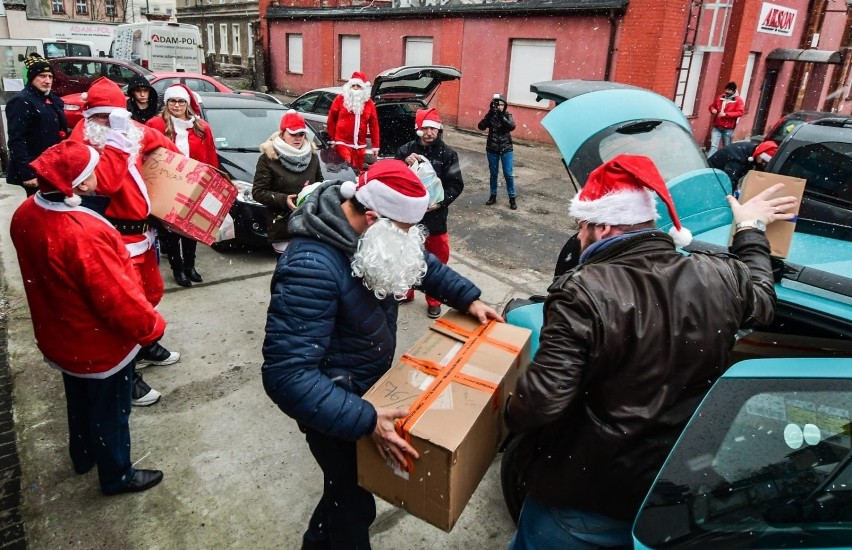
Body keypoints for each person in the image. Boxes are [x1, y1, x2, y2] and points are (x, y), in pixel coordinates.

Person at [504, 154, 798, 549]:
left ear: (603, 225)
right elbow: (763, 298)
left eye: (581, 226)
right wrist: (749, 229)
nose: (577, 237)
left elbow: (541, 401)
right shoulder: (719, 274)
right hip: (670, 492)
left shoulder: (583, 289)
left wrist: (504, 417)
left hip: (584, 495)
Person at [261, 159, 501, 549]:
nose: (409, 239)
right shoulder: (310, 266)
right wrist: (366, 418)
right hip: (334, 405)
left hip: (362, 390)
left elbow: (420, 264)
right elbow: (287, 376)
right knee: (352, 505)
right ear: (372, 217)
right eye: (404, 230)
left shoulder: (375, 237)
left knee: (344, 494)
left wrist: (469, 298)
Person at [10, 140, 166, 495]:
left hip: (61, 335)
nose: (101, 175)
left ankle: (82, 455)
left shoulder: (26, 213)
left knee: (78, 400)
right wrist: (151, 328)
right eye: (95, 170)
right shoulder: (84, 233)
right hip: (98, 343)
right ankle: (116, 475)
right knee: (111, 412)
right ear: (80, 184)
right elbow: (117, 298)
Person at [69, 77, 182, 407]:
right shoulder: (83, 141)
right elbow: (105, 181)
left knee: (150, 292)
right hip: (113, 234)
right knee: (124, 306)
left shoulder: (129, 130)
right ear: (93, 117)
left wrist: (176, 167)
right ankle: (126, 372)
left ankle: (145, 344)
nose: (110, 122)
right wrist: (118, 140)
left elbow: (162, 144)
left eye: (115, 116)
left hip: (143, 232)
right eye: (104, 117)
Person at [146, 84, 219, 287]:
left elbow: (210, 155)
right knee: (169, 231)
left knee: (190, 228)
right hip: (167, 184)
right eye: (172, 101)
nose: (176, 105)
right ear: (166, 103)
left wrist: (211, 182)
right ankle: (177, 268)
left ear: (187, 104)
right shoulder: (156, 125)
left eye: (180, 101)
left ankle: (190, 266)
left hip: (194, 184)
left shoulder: (202, 127)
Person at [395, 107, 465, 318]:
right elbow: (392, 175)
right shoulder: (405, 150)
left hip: (435, 218)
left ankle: (434, 299)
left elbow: (456, 185)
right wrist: (402, 164)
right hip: (409, 217)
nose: (429, 133)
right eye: (425, 128)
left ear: (439, 130)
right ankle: (406, 291)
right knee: (406, 254)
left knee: (436, 259)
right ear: (418, 129)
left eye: (433, 128)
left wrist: (441, 202)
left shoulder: (448, 154)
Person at [252, 109, 323, 254]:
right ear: (283, 133)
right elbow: (258, 192)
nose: (297, 138)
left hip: (308, 223)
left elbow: (319, 183)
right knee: (286, 269)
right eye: (293, 134)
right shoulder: (268, 158)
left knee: (306, 268)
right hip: (282, 225)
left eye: (301, 134)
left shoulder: (312, 157)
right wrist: (284, 200)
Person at [6, 54, 68, 197]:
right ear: (32, 77)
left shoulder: (52, 100)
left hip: (50, 164)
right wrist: (27, 173)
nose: (47, 81)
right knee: (39, 206)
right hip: (34, 166)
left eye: (50, 76)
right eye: (42, 76)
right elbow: (16, 140)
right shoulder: (21, 101)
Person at [326, 71, 380, 170]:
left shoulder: (369, 104)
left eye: (358, 86)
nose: (355, 88)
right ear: (349, 87)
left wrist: (375, 145)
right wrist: (332, 139)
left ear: (363, 88)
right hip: (342, 143)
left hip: (360, 146)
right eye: (353, 85)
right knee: (347, 168)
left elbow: (374, 126)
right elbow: (331, 119)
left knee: (357, 171)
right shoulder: (340, 99)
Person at [478, 93, 517, 209]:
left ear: (504, 105)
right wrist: (490, 114)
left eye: (501, 104)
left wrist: (501, 117)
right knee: (493, 174)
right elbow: (481, 126)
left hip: (506, 148)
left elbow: (511, 126)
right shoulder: (490, 116)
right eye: (496, 104)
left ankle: (512, 198)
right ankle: (493, 196)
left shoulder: (507, 115)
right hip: (492, 148)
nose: (498, 107)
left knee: (508, 174)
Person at [708, 140, 778, 194]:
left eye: (765, 163)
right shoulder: (738, 157)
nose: (763, 164)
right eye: (763, 161)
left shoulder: (752, 152)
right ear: (759, 154)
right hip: (711, 175)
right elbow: (730, 180)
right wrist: (732, 198)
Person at [707, 81, 745, 156]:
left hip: (728, 128)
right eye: (726, 89)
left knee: (726, 147)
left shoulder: (738, 100)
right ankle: (709, 162)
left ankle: (725, 160)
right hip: (717, 126)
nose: (727, 91)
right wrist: (712, 110)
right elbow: (712, 106)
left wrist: (726, 114)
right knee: (713, 146)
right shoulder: (720, 97)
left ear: (734, 91)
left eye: (729, 90)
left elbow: (740, 113)